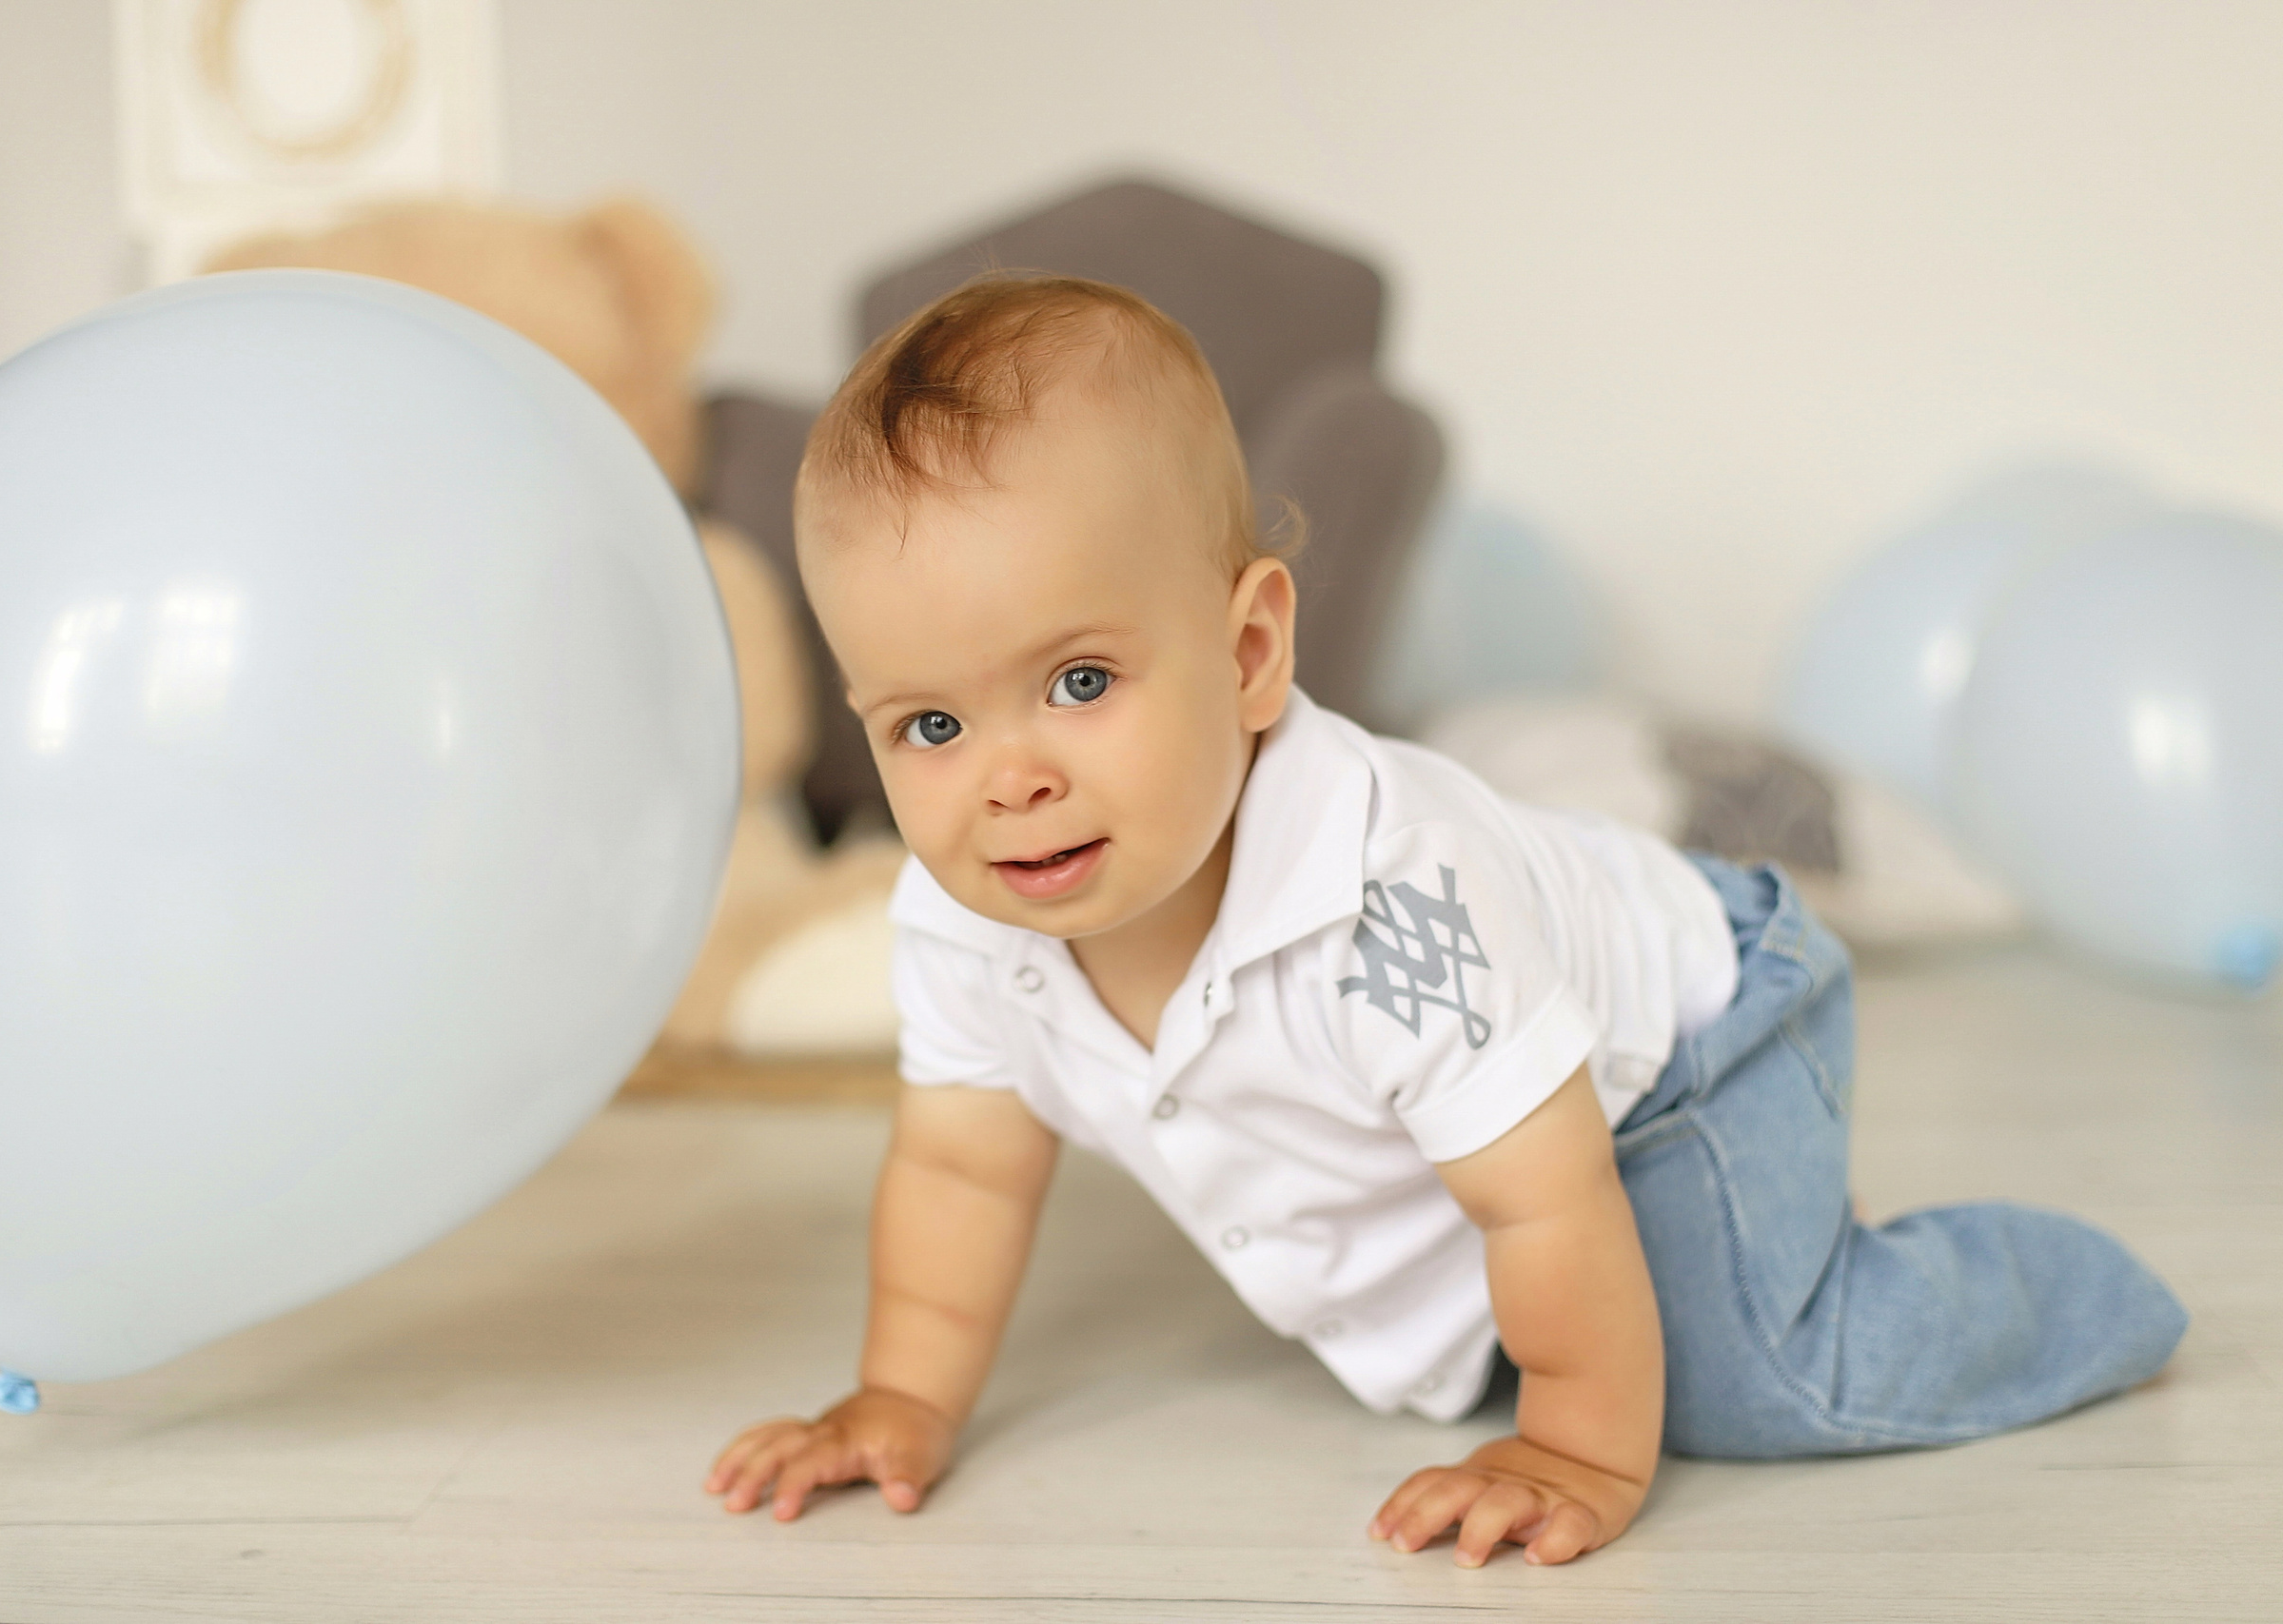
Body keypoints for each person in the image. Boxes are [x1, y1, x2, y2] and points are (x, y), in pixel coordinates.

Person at [705, 275, 2186, 1568]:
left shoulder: (1389, 897)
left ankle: (2079, 1294)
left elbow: (1543, 1193)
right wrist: (900, 1397)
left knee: (1759, 1383)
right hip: (1496, 1141)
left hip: (1686, 1044)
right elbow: (962, 1173)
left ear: (1249, 650)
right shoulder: (963, 927)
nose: (1009, 780)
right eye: (931, 725)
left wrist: (1581, 1450)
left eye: (1081, 683)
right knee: (1494, 1320)